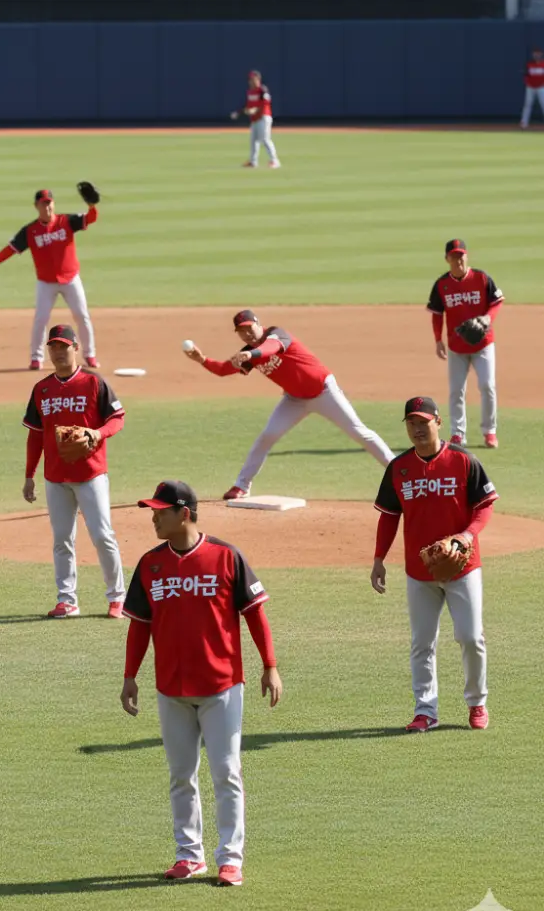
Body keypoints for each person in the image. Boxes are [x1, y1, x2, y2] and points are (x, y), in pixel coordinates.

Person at [121, 480, 282, 886]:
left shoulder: (226, 557)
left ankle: (231, 858)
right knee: (180, 776)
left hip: (221, 686)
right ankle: (189, 855)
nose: (154, 517)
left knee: (226, 772)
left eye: (161, 511)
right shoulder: (150, 564)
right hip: (170, 689)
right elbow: (140, 627)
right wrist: (129, 676)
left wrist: (270, 665)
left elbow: (255, 614)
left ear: (184, 513)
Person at [371, 397, 497, 733]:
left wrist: (467, 536)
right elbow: (389, 516)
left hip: (464, 569)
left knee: (471, 637)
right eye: (411, 423)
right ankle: (425, 711)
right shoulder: (399, 468)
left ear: (438, 421)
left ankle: (477, 702)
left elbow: (484, 506)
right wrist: (379, 558)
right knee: (422, 642)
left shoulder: (462, 460)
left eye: (423, 422)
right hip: (418, 572)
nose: (417, 428)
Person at [185, 310, 395, 499]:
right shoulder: (248, 352)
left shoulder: (276, 334)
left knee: (359, 432)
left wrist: (250, 354)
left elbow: (271, 348)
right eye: (241, 331)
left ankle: (400, 473)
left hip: (324, 391)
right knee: (267, 436)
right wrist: (202, 359)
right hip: (294, 400)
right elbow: (223, 369)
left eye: (249, 328)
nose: (246, 334)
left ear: (258, 324)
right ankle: (242, 486)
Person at [22, 324, 125, 618]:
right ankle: (67, 600)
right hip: (55, 478)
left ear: (75, 348)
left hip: (91, 475)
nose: (58, 352)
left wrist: (96, 434)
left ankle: (117, 597)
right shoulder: (42, 388)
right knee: (62, 540)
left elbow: (117, 419)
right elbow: (35, 435)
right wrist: (29, 475)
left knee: (103, 535)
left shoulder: (93, 383)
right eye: (53, 346)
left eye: (63, 346)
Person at [0, 188, 101, 369]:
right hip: (46, 283)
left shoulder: (66, 221)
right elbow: (9, 250)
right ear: (36, 206)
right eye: (44, 204)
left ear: (53, 204)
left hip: (70, 279)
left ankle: (90, 355)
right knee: (41, 319)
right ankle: (36, 358)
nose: (48, 207)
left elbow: (90, 218)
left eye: (50, 203)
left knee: (82, 316)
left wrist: (92, 206)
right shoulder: (30, 231)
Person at [427, 239, 504, 449]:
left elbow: (497, 302)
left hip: (483, 344)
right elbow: (436, 314)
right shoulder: (442, 284)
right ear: (447, 259)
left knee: (487, 386)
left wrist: (487, 318)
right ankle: (458, 434)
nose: (458, 260)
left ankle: (490, 432)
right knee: (456, 391)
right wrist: (437, 340)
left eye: (461, 255)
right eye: (454, 256)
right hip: (456, 347)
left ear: (466, 256)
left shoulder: (481, 278)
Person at [230, 70, 280, 169]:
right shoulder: (250, 91)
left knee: (265, 139)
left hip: (264, 117)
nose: (251, 81)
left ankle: (274, 160)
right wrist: (238, 112)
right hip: (255, 119)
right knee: (254, 141)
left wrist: (256, 110)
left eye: (253, 79)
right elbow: (247, 105)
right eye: (250, 79)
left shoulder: (262, 90)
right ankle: (253, 161)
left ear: (258, 79)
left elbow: (266, 103)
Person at [520, 48, 544, 128]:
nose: (537, 55)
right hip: (530, 87)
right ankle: (524, 122)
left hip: (541, 87)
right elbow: (525, 75)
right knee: (528, 104)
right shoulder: (529, 64)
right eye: (535, 53)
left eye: (538, 53)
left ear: (541, 54)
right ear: (533, 55)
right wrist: (528, 83)